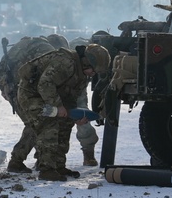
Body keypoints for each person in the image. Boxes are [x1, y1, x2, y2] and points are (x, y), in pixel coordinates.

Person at [0, 34, 99, 170]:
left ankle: (34, 161)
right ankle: (23, 161)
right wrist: (58, 106)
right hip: (21, 88)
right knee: (38, 123)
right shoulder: (49, 54)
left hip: (17, 86)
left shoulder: (36, 47)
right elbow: (44, 83)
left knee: (39, 122)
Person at [14, 43, 111, 182]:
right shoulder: (65, 63)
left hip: (50, 97)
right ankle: (46, 169)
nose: (93, 74)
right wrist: (58, 106)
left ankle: (58, 166)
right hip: (31, 96)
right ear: (86, 62)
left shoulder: (83, 74)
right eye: (93, 70)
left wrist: (73, 116)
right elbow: (45, 84)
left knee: (65, 124)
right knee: (49, 124)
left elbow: (71, 98)